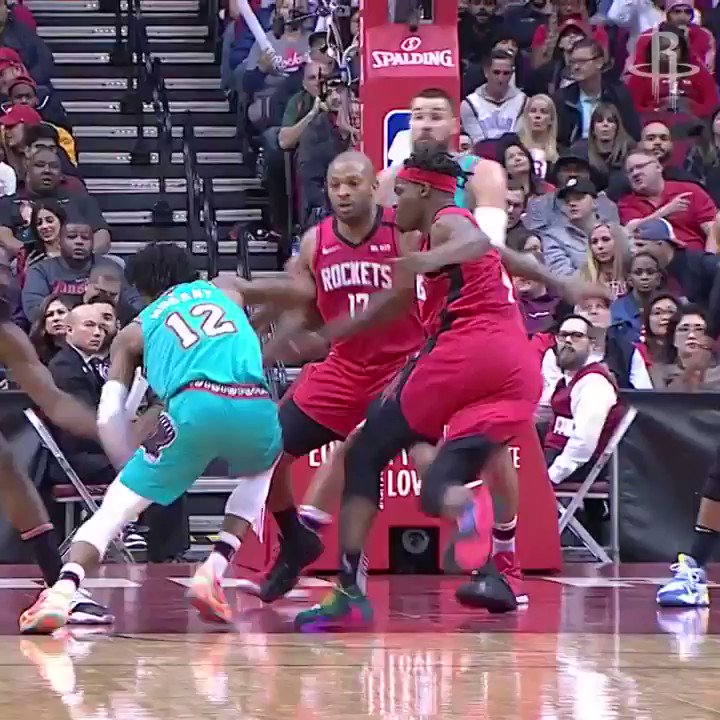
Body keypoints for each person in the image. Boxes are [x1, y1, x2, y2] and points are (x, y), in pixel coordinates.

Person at [266, 144, 606, 630]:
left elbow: (471, 242)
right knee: (457, 465)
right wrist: (563, 283)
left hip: (465, 352)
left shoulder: (447, 222)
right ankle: (492, 559)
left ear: (424, 191)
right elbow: (500, 255)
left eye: (401, 192)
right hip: (513, 368)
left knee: (363, 452)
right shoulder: (429, 233)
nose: (394, 202)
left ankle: (352, 592)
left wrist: (425, 262)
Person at [19, 242, 284, 633]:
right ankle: (213, 570)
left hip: (193, 404)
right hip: (254, 402)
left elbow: (110, 417)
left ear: (141, 290)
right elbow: (296, 291)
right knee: (261, 472)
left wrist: (127, 467)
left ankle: (63, 591)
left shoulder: (134, 330)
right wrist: (261, 327)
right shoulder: (226, 287)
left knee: (114, 510)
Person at [228, 151, 426, 603]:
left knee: (369, 457)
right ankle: (295, 541)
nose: (343, 193)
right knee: (266, 451)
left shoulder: (403, 232)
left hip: (401, 367)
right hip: (343, 367)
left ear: (374, 187)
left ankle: (352, 577)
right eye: (335, 185)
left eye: (353, 183)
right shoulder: (315, 242)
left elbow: (407, 297)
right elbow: (307, 309)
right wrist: (276, 343)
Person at [0, 247, 111, 631]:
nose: (4, 279)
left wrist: (113, 436)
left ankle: (58, 586)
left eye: (5, 272)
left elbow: (56, 401)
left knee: (6, 465)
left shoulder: (8, 335)